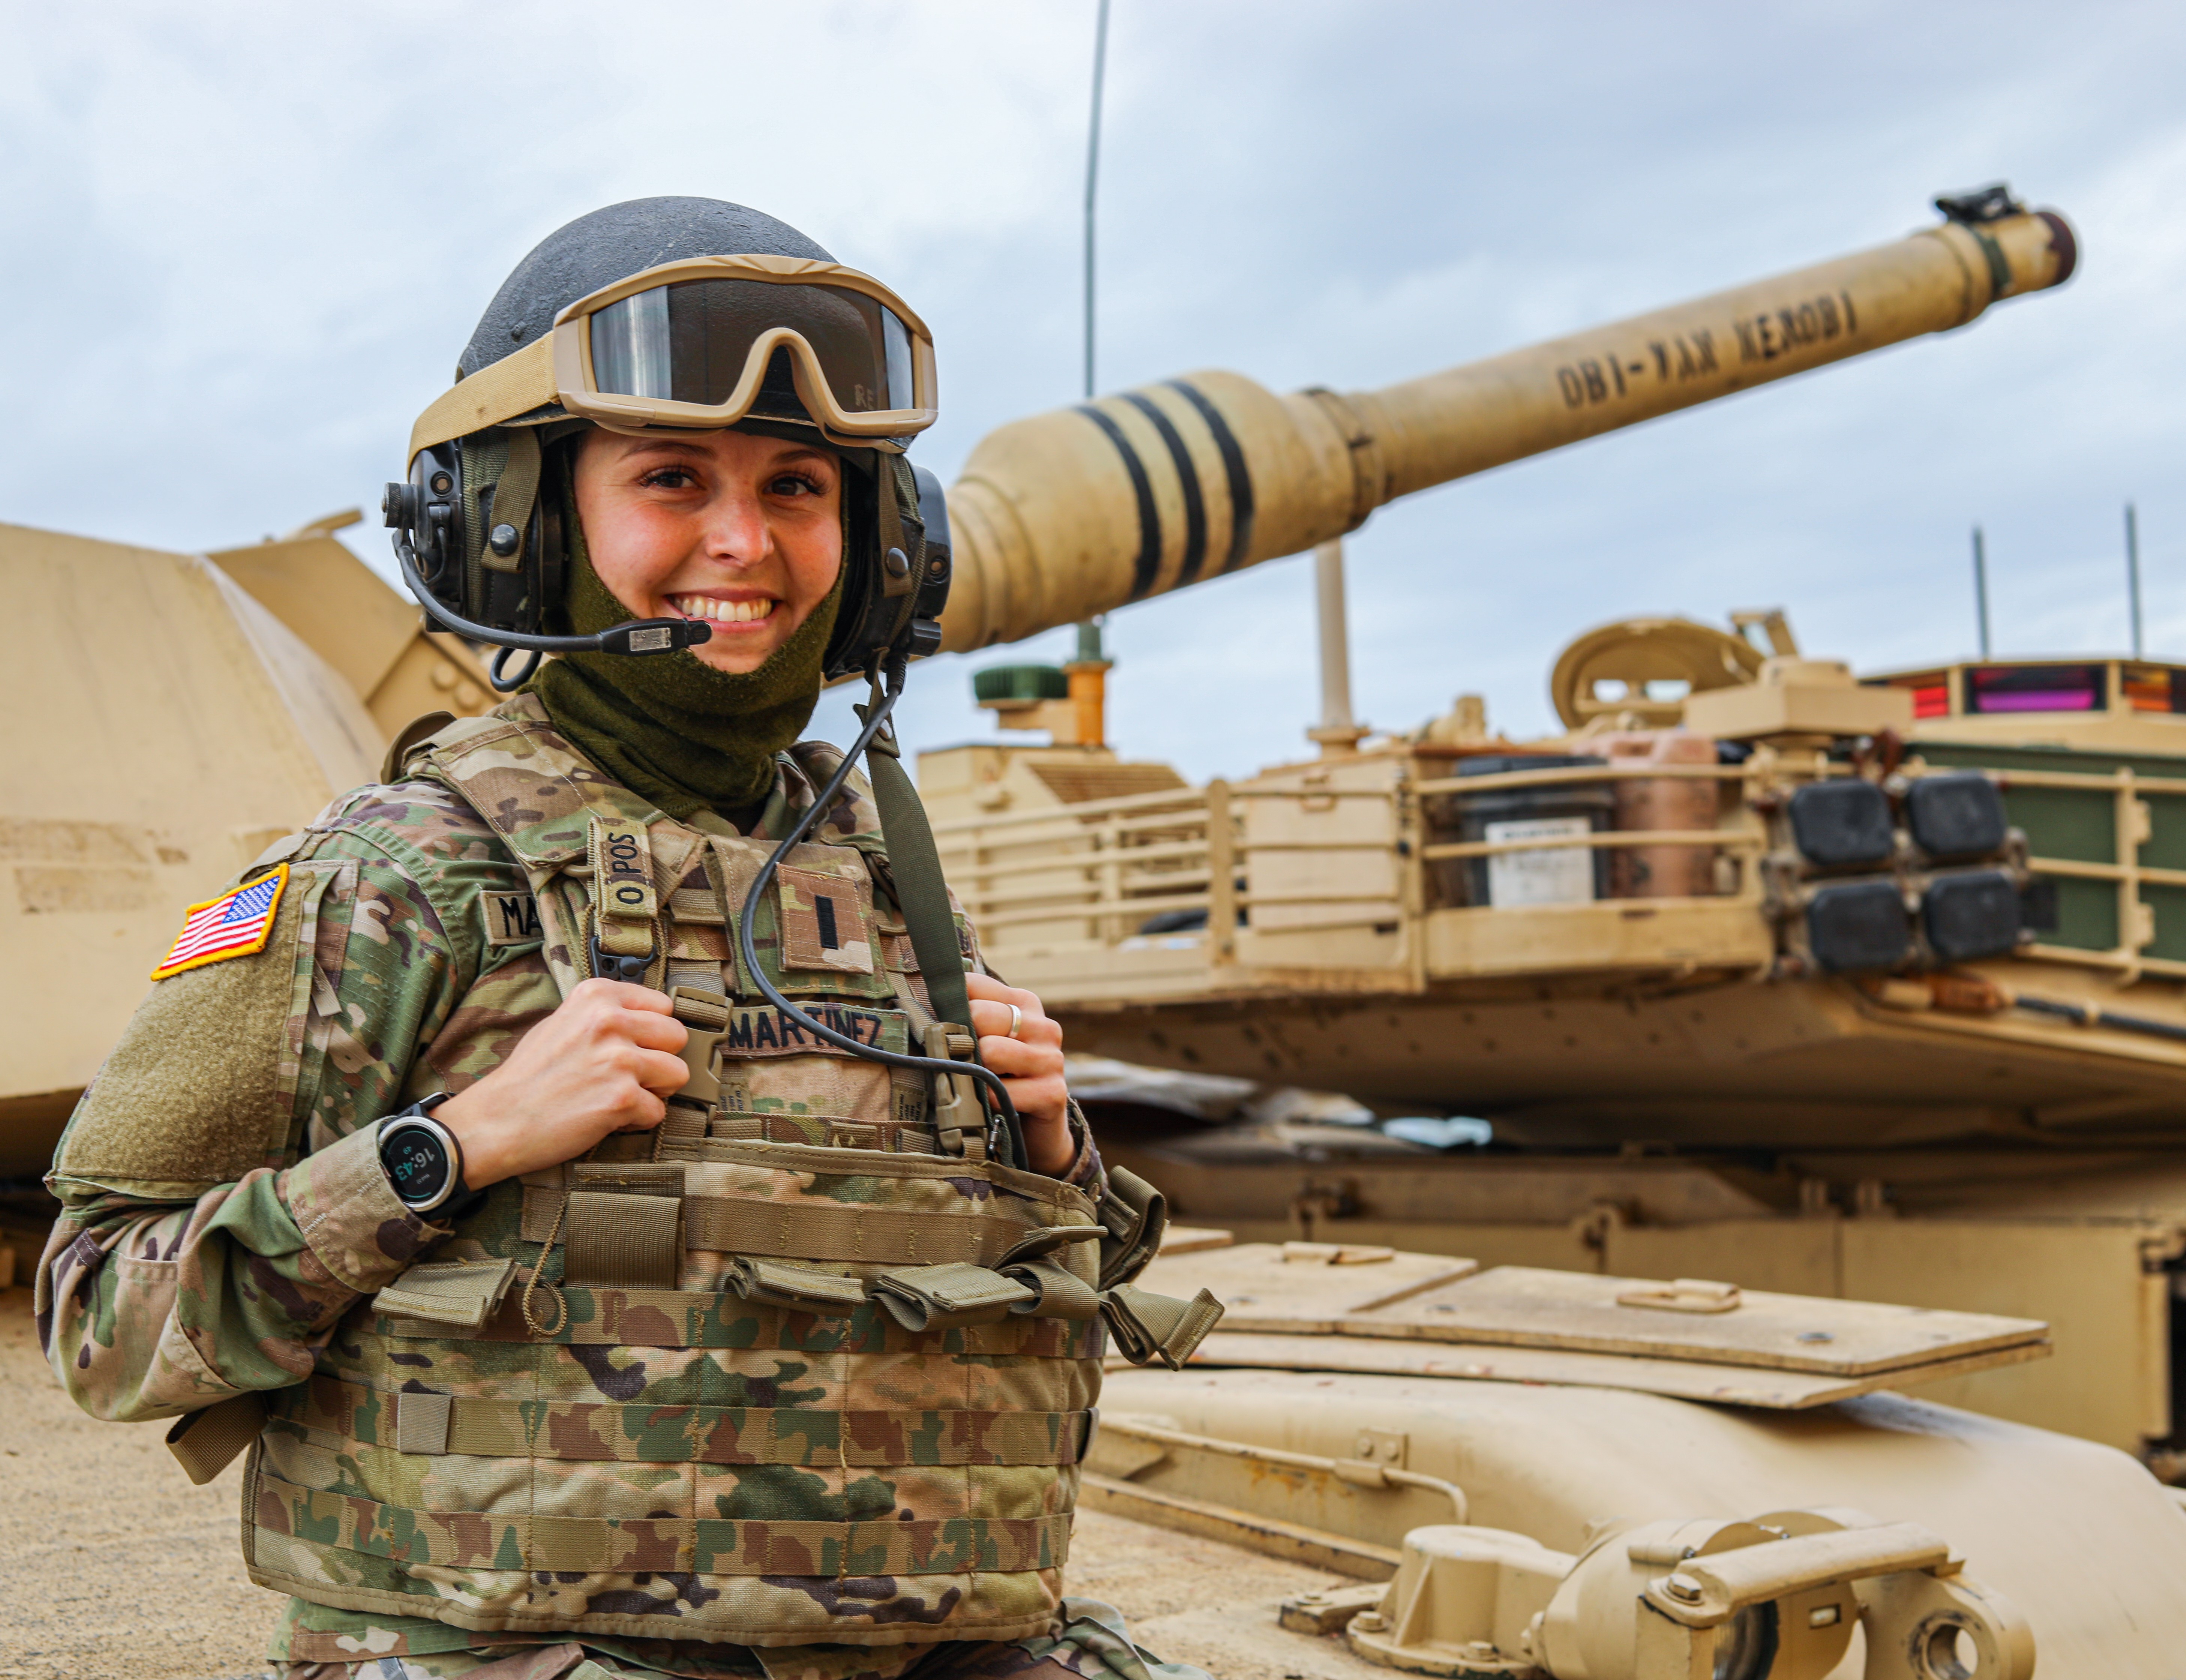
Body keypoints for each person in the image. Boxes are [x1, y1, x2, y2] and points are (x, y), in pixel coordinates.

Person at [36, 198, 1216, 1680]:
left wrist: (1054, 1160)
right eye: (672, 478)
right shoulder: (403, 873)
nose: (748, 542)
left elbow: (1011, 1331)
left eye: (799, 486)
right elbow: (96, 1312)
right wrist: (449, 1148)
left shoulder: (889, 874)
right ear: (523, 522)